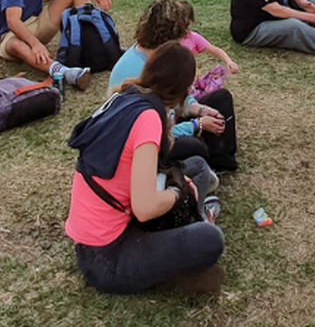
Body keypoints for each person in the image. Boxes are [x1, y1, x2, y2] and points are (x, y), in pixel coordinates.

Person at [65, 41, 225, 294]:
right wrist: (176, 194)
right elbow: (145, 208)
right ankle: (198, 221)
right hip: (107, 256)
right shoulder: (149, 118)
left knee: (197, 167)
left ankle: (191, 219)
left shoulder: (127, 95)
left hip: (102, 229)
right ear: (183, 89)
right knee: (209, 239)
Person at [107, 0, 237, 171]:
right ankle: (206, 161)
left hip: (164, 120)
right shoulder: (146, 74)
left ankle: (217, 159)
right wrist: (196, 125)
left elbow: (174, 100)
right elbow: (158, 134)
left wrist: (198, 109)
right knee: (194, 146)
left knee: (221, 98)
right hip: (141, 141)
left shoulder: (151, 55)